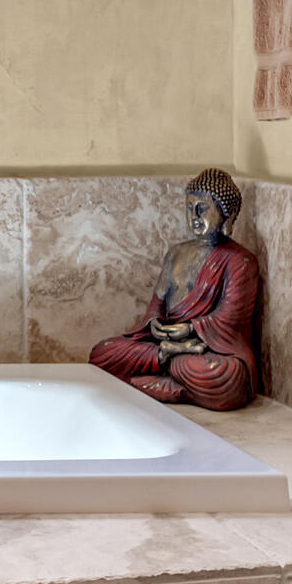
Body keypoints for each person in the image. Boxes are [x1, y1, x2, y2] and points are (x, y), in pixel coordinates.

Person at [89, 169, 261, 410]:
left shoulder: (240, 261)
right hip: (169, 344)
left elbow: (230, 320)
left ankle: (157, 380)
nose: (194, 216)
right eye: (189, 208)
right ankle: (171, 369)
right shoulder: (176, 253)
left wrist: (190, 329)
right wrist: (155, 324)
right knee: (103, 352)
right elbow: (155, 307)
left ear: (226, 214)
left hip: (207, 349)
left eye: (202, 209)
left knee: (224, 375)